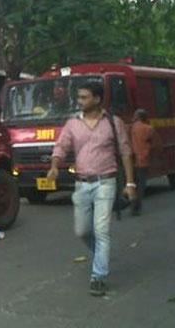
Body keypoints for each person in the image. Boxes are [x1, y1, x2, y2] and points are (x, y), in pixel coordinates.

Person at [47, 81, 136, 297]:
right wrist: (54, 166)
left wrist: (130, 184)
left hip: (106, 182)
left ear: (97, 99)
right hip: (82, 184)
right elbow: (61, 147)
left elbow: (125, 153)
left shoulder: (113, 123)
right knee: (83, 231)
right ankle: (100, 256)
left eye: (84, 97)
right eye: (79, 97)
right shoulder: (72, 124)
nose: (80, 101)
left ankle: (98, 276)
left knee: (102, 230)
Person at [130, 109, 162, 216]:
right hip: (143, 159)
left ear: (137, 117)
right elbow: (157, 144)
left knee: (133, 183)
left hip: (131, 160)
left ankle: (132, 204)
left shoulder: (131, 128)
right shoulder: (148, 128)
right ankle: (136, 207)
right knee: (141, 184)